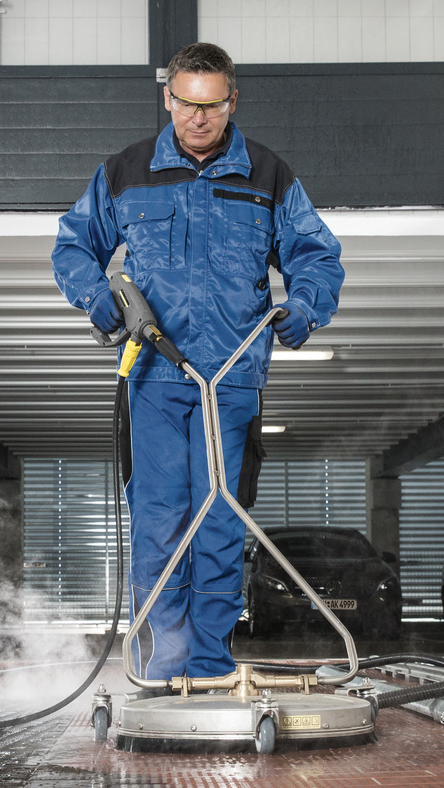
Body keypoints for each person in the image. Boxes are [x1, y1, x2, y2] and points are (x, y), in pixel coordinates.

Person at [51, 43, 345, 682]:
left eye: (212, 106)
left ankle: (208, 663)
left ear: (232, 101)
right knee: (160, 521)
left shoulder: (268, 175)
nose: (199, 118)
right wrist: (99, 298)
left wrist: (305, 304)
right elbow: (73, 246)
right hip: (157, 375)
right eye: (187, 104)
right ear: (168, 97)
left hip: (232, 376)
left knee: (219, 522)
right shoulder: (126, 172)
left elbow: (317, 256)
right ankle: (165, 661)